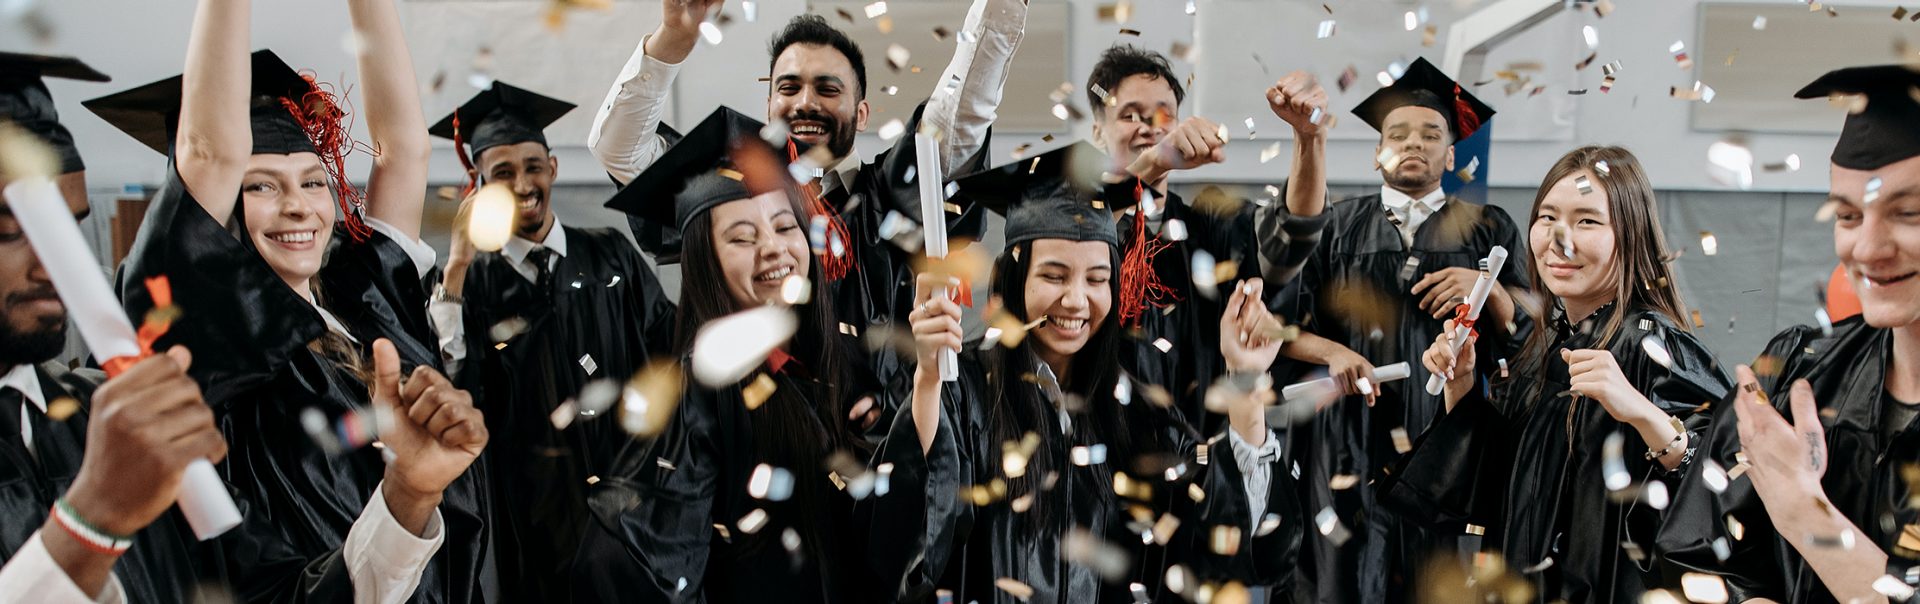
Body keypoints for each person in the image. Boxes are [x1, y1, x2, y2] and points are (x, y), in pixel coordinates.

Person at [87, 0, 494, 600]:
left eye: (312, 181)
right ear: (215, 212)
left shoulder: (367, 304)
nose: (299, 205)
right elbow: (208, 151)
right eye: (260, 186)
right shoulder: (207, 342)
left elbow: (404, 151)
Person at [869, 141, 1304, 603]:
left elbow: (1236, 544)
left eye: (1097, 279)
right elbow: (900, 548)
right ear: (1016, 283)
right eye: (1054, 276)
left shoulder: (1138, 411)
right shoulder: (962, 391)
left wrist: (1245, 383)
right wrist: (929, 382)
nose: (1076, 300)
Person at [589, 0, 1027, 429]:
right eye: (788, 87)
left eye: (827, 89)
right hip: (750, 446)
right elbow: (620, 152)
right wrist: (673, 40)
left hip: (881, 453)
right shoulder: (730, 198)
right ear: (768, 107)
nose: (804, 103)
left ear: (861, 113)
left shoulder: (895, 196)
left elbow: (961, 114)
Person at [1391, 146, 1730, 601]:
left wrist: (1642, 413)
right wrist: (1462, 384)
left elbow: (1727, 482)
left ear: (1629, 235)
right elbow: (1496, 485)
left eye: (1587, 221)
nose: (1559, 239)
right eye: (1547, 217)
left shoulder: (1652, 344)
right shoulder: (1544, 342)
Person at [579, 106, 885, 602]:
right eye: (742, 237)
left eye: (785, 228)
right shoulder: (693, 399)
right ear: (706, 261)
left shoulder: (836, 368)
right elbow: (628, 567)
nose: (772, 249)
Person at [1657, 64, 1920, 604]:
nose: (1867, 249)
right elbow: (1694, 554)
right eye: (1848, 215)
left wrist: (1803, 511)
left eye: (1909, 212)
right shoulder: (1800, 369)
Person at [1287, 56, 1530, 603]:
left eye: (1430, 134)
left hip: (1446, 446)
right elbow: (1282, 328)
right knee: (1343, 580)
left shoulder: (1489, 229)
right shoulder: (1332, 226)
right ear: (1377, 153)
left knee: (1438, 581)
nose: (1412, 143)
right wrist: (1332, 352)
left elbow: (1530, 332)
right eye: (1397, 134)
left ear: (1450, 154)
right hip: (1348, 441)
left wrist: (1485, 289)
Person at [425, 80, 677, 600]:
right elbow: (453, 385)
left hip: (631, 503)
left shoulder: (611, 255)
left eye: (533, 166)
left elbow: (669, 352)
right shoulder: (470, 285)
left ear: (553, 169)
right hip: (532, 517)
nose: (523, 184)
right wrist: (455, 267)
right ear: (478, 186)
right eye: (503, 173)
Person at [0, 52, 211, 603]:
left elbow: (263, 585)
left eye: (66, 229)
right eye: (10, 231)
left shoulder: (103, 412)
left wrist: (406, 501)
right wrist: (92, 522)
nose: (54, 265)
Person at [1080, 44, 1334, 433]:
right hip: (1093, 452)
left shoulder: (1208, 227)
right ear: (1098, 131)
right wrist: (1153, 162)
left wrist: (1309, 138)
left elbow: (1292, 234)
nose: (1150, 126)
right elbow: (1083, 224)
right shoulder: (1075, 225)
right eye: (1130, 115)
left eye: (1165, 115)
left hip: (1200, 453)